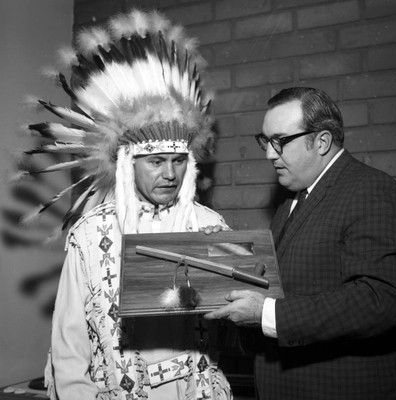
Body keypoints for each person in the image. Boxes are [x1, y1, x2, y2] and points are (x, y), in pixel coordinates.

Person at [18, 10, 232, 400]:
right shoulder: (89, 235)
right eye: (155, 162)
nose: (170, 174)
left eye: (179, 161)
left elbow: (236, 324)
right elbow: (70, 344)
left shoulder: (210, 226)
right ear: (126, 165)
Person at [205, 87, 396, 399]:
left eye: (280, 141)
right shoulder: (293, 200)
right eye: (265, 141)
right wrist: (229, 258)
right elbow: (292, 280)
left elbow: (378, 299)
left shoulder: (371, 190)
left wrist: (267, 314)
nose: (269, 154)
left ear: (322, 141)